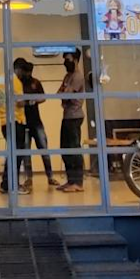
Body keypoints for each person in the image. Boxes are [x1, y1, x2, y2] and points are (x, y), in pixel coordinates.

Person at [15, 57, 56, 187]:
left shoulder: (36, 83)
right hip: (23, 121)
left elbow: (43, 98)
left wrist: (33, 101)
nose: (28, 74)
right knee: (26, 151)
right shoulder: (18, 84)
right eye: (27, 71)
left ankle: (50, 176)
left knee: (44, 148)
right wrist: (26, 102)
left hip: (36, 121)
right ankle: (29, 178)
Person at [56, 49, 85, 191]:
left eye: (67, 60)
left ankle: (78, 183)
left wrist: (64, 94)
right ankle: (70, 180)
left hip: (75, 116)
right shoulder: (67, 76)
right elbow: (58, 94)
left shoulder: (78, 77)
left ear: (74, 59)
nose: (65, 63)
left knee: (74, 148)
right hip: (66, 115)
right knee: (65, 148)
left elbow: (65, 95)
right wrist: (63, 94)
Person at [0, 79, 28, 193]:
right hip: (15, 121)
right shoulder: (15, 81)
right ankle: (14, 185)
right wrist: (29, 100)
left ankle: (6, 184)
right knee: (16, 155)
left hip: (4, 122)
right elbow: (20, 102)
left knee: (11, 154)